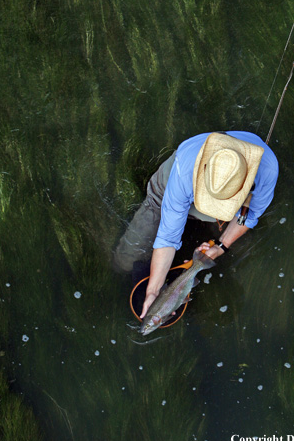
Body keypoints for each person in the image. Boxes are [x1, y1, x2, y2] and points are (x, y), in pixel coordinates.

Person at [113, 131, 278, 318]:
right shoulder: (186, 168)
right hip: (167, 196)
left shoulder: (267, 171)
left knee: (244, 252)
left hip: (217, 207)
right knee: (124, 263)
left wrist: (222, 246)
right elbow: (168, 236)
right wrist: (154, 290)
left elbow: (250, 214)